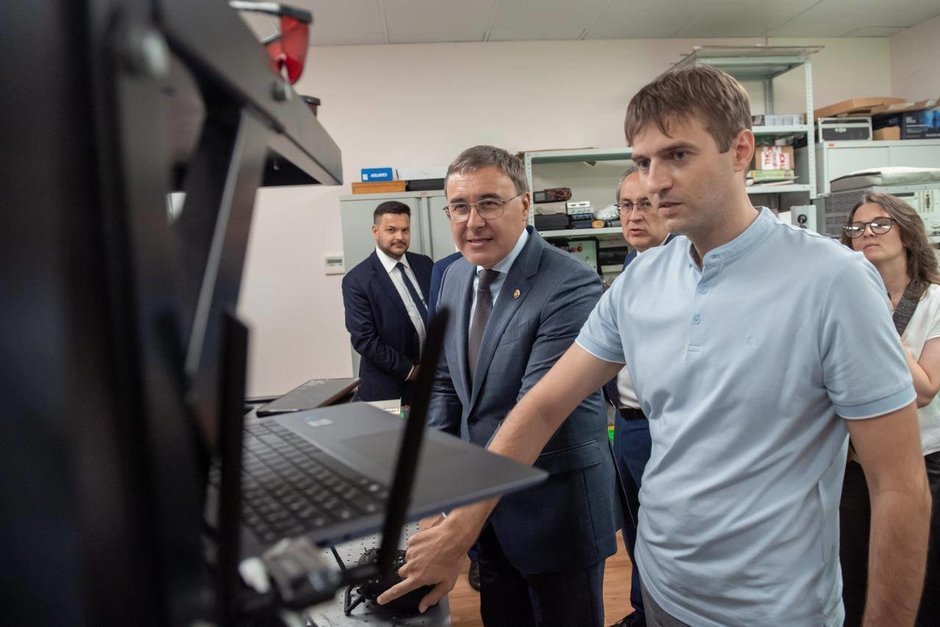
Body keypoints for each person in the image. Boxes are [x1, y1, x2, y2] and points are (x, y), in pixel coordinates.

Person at [379, 66, 931, 627]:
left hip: (775, 607)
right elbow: (543, 405)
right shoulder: (641, 280)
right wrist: (459, 528)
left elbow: (900, 487)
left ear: (741, 150)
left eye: (678, 155)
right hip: (665, 588)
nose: (654, 182)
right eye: (643, 162)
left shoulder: (833, 280)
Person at [381, 145, 617, 626]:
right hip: (484, 515)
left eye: (489, 203)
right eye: (459, 207)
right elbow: (443, 386)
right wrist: (435, 503)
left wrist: (457, 527)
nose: (473, 222)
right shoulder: (452, 276)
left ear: (524, 205)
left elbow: (537, 407)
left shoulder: (569, 284)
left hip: (554, 512)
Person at [839, 192, 940, 626]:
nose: (867, 234)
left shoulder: (934, 302)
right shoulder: (841, 300)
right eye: (857, 228)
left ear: (907, 233)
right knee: (852, 577)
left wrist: (877, 318)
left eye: (880, 224)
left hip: (923, 460)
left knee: (920, 583)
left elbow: (924, 389)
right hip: (853, 463)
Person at [607, 168, 672, 627]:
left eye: (644, 205)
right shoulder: (631, 268)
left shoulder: (685, 270)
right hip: (626, 423)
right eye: (626, 206)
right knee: (634, 528)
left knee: (663, 533)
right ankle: (641, 611)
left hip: (661, 427)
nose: (633, 216)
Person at [341, 201, 433, 405]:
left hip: (434, 383)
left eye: (405, 230)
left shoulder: (424, 264)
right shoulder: (357, 280)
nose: (400, 237)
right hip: (390, 387)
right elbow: (364, 339)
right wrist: (410, 371)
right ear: (376, 231)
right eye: (391, 230)